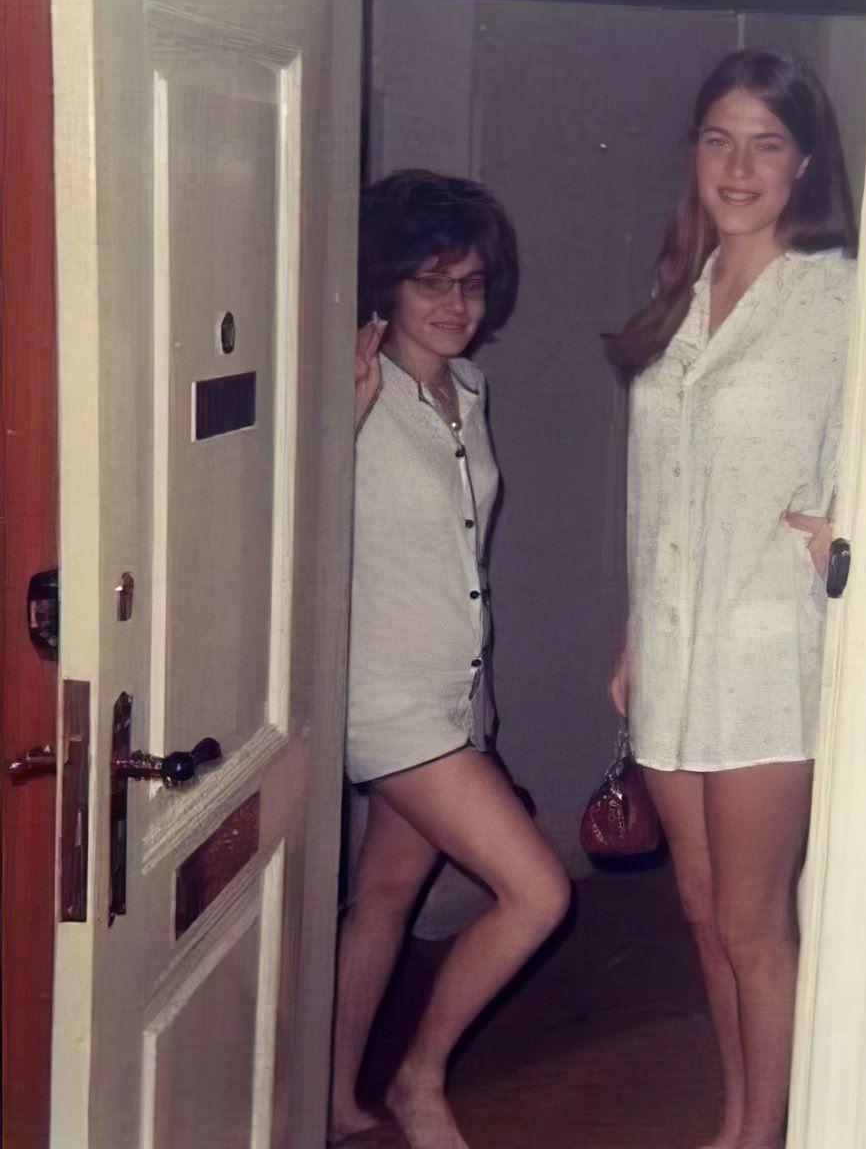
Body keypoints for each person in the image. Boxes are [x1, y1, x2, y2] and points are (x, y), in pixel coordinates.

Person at [605, 50, 857, 1149]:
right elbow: (658, 486)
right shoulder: (687, 286)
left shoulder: (840, 295)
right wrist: (632, 631)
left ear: (804, 162)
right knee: (703, 911)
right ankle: (736, 1117)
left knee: (754, 922)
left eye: (766, 144)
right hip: (670, 647)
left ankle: (765, 1136)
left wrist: (850, 533)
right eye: (719, 140)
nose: (739, 167)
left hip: (765, 652)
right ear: (694, 155)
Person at [329, 170, 570, 1149]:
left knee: (385, 898)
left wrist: (480, 695)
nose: (454, 304)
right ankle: (419, 1081)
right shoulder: (351, 386)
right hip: (383, 696)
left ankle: (333, 1098)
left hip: (455, 693)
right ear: (385, 282)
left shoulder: (467, 388)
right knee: (539, 892)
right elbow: (285, 528)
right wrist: (338, 420)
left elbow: (460, 553)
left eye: (470, 282)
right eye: (430, 281)